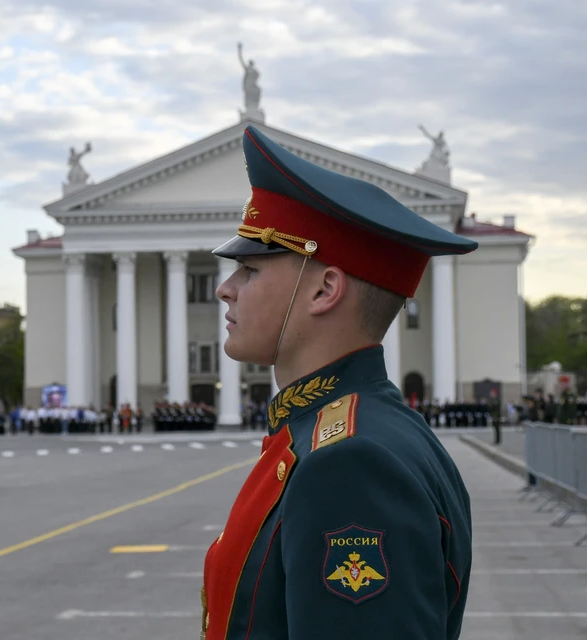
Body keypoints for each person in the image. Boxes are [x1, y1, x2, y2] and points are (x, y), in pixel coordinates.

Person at [200, 125, 477, 640]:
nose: (224, 289)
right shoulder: (362, 431)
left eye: (250, 270)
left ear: (325, 290)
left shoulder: (350, 464)